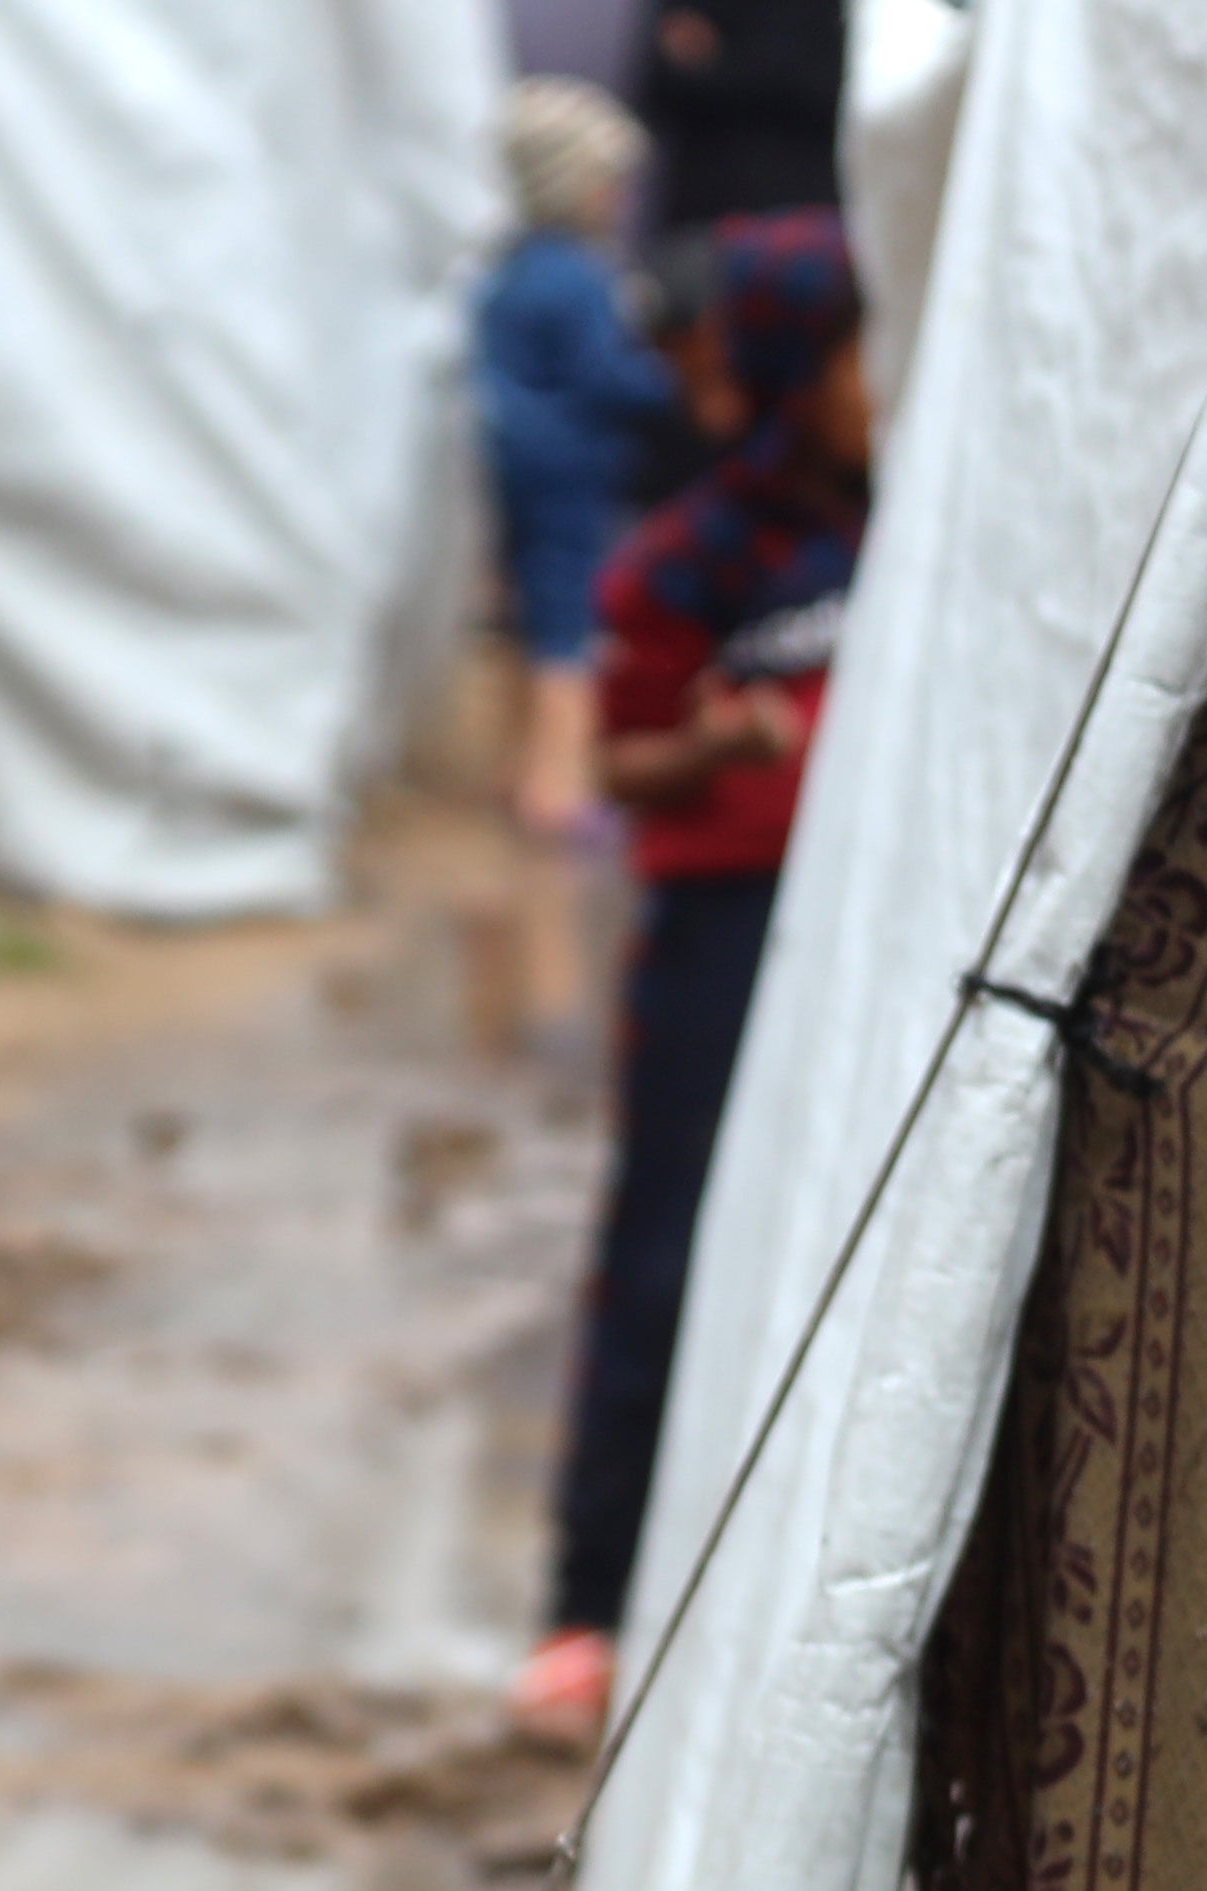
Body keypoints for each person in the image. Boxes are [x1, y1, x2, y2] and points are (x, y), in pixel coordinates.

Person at [515, 215, 864, 1751]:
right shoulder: (695, 558)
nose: (886, 382)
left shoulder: (931, 532)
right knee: (665, 1254)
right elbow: (616, 762)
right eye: (858, 354)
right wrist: (713, 752)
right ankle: (589, 1609)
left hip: (874, 938)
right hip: (720, 935)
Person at [473, 80, 684, 838]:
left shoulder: (508, 271)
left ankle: (516, 768)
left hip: (513, 469)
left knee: (522, 626)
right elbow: (610, 377)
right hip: (570, 476)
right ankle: (558, 788)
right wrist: (667, 378)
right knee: (567, 634)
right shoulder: (582, 279)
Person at [632, 0, 847, 223]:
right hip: (708, 205)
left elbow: (837, 91)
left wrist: (723, 63)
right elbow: (663, 83)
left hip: (812, 215)